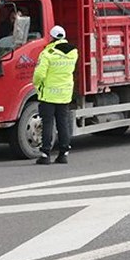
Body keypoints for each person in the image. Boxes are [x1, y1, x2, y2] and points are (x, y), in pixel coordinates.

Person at [32, 25, 78, 164]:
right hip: (65, 93)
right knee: (62, 123)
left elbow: (39, 74)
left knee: (47, 124)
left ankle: (46, 154)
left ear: (51, 37)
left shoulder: (47, 53)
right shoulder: (73, 52)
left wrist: (36, 84)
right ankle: (63, 154)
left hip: (49, 94)